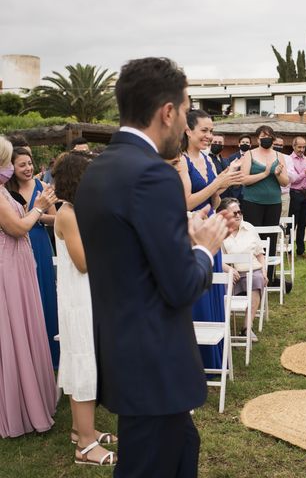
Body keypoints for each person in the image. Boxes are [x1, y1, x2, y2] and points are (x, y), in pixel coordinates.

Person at [74, 57, 230, 478]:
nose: (184, 125)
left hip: (124, 352)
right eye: (184, 112)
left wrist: (180, 231)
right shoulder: (152, 175)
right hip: (155, 362)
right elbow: (181, 286)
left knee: (183, 447)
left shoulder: (98, 170)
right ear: (167, 112)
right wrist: (204, 248)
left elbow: (132, 251)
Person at [52, 151, 117, 466]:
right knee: (83, 365)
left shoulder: (77, 211)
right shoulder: (68, 214)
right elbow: (83, 262)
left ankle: (81, 430)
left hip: (85, 298)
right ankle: (86, 448)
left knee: (85, 362)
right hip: (79, 301)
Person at [0, 135, 57, 438]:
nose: (11, 167)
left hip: (18, 264)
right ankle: (18, 405)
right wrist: (39, 207)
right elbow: (17, 227)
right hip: (7, 269)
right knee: (15, 331)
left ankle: (32, 395)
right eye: (9, 161)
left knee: (27, 326)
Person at [179, 109, 243, 375]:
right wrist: (218, 181)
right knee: (198, 294)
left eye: (211, 130)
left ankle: (214, 359)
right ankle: (196, 361)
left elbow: (212, 202)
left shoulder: (207, 160)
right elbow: (186, 202)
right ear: (188, 131)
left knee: (214, 288)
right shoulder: (180, 161)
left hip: (211, 232)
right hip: (192, 234)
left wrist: (221, 189)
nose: (209, 136)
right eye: (204, 130)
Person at [6, 146, 59, 366]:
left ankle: (52, 355)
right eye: (22, 165)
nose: (28, 168)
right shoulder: (6, 191)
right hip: (16, 244)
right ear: (11, 168)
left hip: (39, 240)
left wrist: (36, 214)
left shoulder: (43, 186)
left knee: (45, 291)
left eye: (30, 164)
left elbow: (55, 218)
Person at [240, 125, 289, 284]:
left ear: (273, 138)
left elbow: (285, 182)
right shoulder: (249, 154)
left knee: (271, 240)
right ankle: (253, 277)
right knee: (254, 239)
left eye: (269, 136)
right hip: (252, 202)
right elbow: (244, 180)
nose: (265, 139)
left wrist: (277, 174)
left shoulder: (279, 156)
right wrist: (265, 173)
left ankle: (268, 277)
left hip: (273, 203)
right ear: (257, 139)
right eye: (262, 136)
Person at [218, 197, 267, 340]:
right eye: (234, 213)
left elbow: (260, 254)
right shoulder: (221, 232)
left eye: (240, 212)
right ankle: (223, 324)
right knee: (220, 285)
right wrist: (229, 270)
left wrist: (264, 270)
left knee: (258, 279)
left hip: (252, 271)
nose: (238, 215)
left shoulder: (249, 228)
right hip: (231, 272)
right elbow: (217, 259)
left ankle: (247, 327)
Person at [284, 136, 306, 259]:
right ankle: (289, 251)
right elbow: (293, 180)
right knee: (292, 224)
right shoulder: (288, 160)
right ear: (294, 146)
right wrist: (305, 173)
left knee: (303, 224)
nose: (302, 149)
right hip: (294, 193)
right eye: (299, 147)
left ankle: (301, 251)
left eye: (304, 147)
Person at [224, 134, 252, 201]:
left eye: (247, 143)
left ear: (250, 145)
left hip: (250, 190)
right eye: (243, 142)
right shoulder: (232, 157)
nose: (245, 144)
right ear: (239, 144)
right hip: (236, 190)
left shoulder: (254, 157)